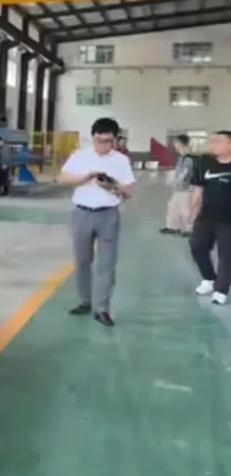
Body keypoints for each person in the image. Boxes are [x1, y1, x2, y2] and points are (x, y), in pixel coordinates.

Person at [58, 117, 135, 327]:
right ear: (93, 138)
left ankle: (102, 308)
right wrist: (86, 177)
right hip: (82, 213)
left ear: (115, 140)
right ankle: (84, 301)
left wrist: (113, 185)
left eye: (108, 141)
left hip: (108, 215)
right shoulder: (80, 156)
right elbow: (63, 178)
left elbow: (129, 191)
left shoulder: (121, 160)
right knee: (82, 260)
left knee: (107, 263)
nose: (103, 145)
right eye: (99, 140)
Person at [188, 130, 231, 306]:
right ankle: (209, 279)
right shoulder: (204, 161)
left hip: (228, 220)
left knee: (226, 255)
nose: (212, 145)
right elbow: (198, 189)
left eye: (218, 142)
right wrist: (191, 214)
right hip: (206, 215)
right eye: (211, 141)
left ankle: (221, 290)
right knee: (197, 246)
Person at [161, 134, 195, 236]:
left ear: (181, 143)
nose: (174, 145)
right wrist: (173, 180)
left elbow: (185, 173)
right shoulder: (181, 157)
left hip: (186, 188)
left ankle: (189, 229)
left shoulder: (189, 158)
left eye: (176, 143)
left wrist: (176, 181)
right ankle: (172, 227)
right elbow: (178, 170)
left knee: (185, 210)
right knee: (172, 206)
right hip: (178, 188)